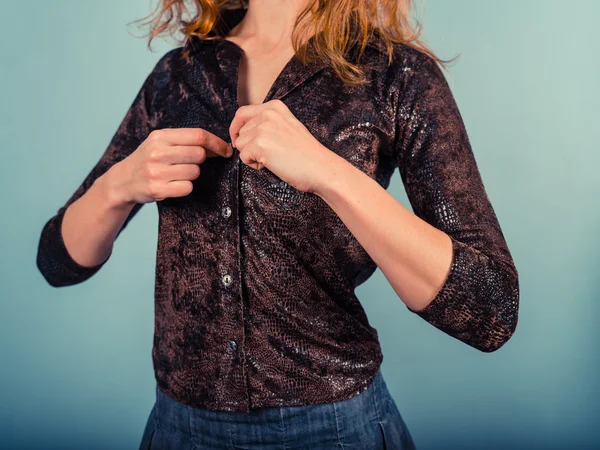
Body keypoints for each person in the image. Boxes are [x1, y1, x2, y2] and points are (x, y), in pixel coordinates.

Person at [36, 0, 520, 448]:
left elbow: (489, 309)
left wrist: (329, 173)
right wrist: (119, 185)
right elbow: (58, 262)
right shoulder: (178, 75)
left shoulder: (396, 75)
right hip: (178, 427)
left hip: (334, 428)